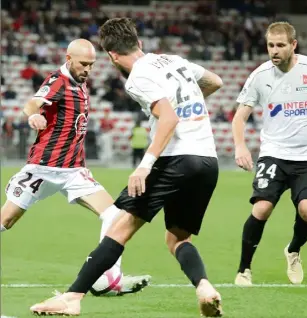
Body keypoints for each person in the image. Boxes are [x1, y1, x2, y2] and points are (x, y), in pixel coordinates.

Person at [30, 18, 224, 317]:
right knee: (177, 239)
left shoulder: (137, 77)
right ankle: (204, 287)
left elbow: (169, 119)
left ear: (111, 56)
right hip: (208, 160)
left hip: (175, 158)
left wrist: (144, 166)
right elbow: (214, 82)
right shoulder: (173, 60)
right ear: (139, 43)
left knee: (119, 228)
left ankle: (72, 298)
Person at [1, 38, 150, 295]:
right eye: (83, 64)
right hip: (42, 168)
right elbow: (32, 103)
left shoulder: (81, 84)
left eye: (92, 64)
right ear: (69, 59)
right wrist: (34, 115)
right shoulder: (58, 79)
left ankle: (109, 279)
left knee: (114, 215)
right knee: (7, 219)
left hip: (74, 172)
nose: (88, 69)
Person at [232, 22, 307, 286]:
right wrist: (240, 146)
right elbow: (239, 117)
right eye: (271, 45)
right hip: (274, 153)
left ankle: (294, 250)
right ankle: (244, 270)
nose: (274, 50)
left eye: (281, 45)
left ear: (293, 45)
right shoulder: (260, 75)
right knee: (261, 208)